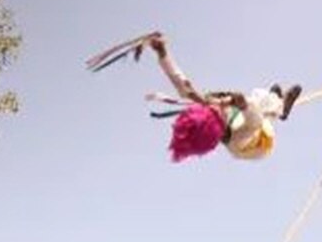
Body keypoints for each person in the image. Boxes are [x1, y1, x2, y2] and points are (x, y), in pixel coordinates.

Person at [86, 32, 301, 162]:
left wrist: (163, 54)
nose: (216, 106)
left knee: (257, 95)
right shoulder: (236, 138)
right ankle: (280, 108)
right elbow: (254, 122)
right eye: (217, 111)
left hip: (246, 120)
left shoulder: (211, 107)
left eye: (212, 109)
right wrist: (244, 105)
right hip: (259, 143)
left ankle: (274, 97)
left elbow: (184, 87)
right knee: (260, 106)